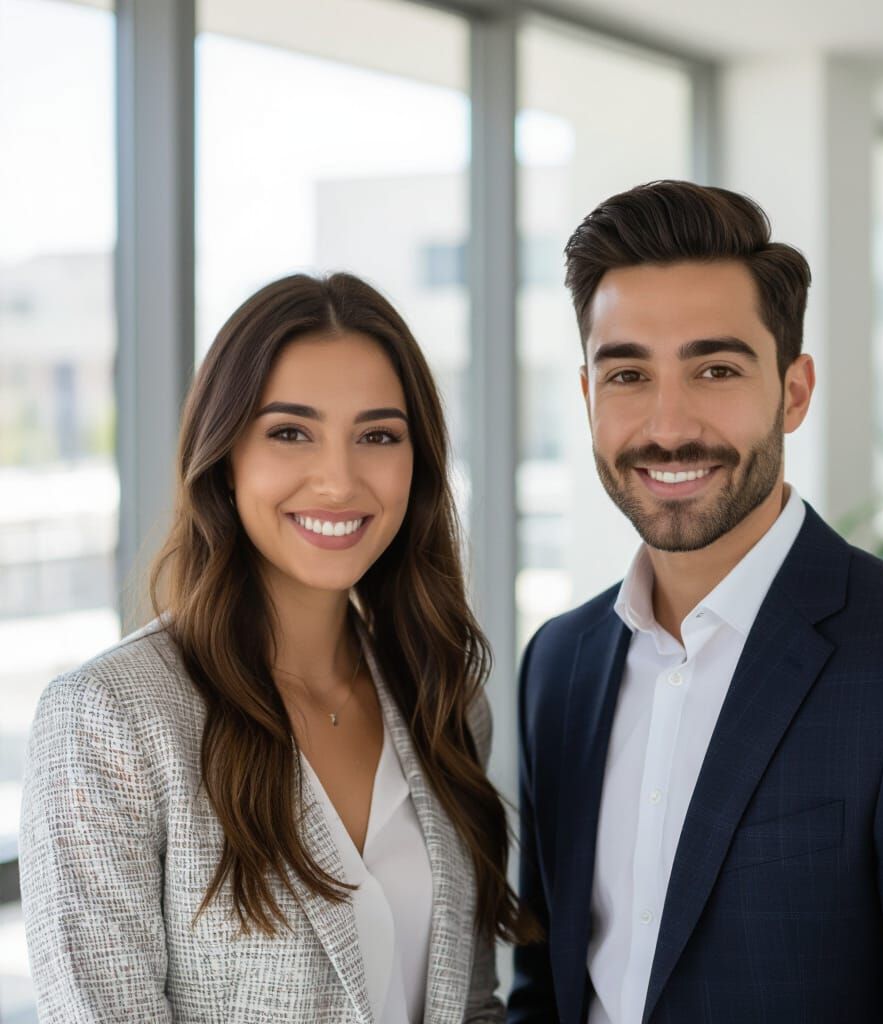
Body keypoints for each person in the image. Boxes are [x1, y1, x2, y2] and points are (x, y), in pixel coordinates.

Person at [509, 180, 883, 1023]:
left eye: (715, 369)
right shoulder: (558, 665)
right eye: (628, 373)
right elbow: (549, 989)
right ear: (587, 397)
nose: (668, 425)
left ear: (793, 390)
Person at [21, 272, 530, 1022]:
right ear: (225, 456)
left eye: (378, 436)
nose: (338, 479)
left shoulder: (443, 700)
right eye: (291, 432)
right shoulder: (109, 719)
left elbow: (472, 1001)